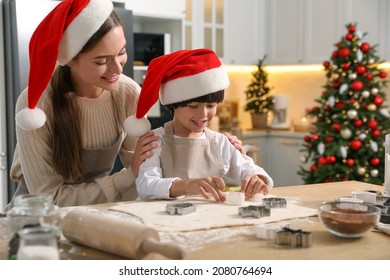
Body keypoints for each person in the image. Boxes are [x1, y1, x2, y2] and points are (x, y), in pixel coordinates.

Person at [5, 0, 244, 211]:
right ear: (70, 59)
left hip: (100, 210)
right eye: (101, 61)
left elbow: (148, 174)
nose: (117, 69)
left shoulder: (128, 94)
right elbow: (48, 198)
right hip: (36, 218)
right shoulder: (36, 107)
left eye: (121, 53)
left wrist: (214, 147)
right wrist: (126, 178)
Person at [126, 49, 274, 202]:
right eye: (193, 106)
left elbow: (249, 168)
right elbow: (146, 186)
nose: (203, 114)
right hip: (163, 221)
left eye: (211, 105)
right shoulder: (156, 140)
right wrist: (187, 185)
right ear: (173, 105)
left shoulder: (220, 142)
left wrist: (257, 178)